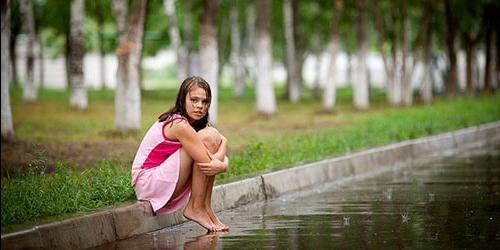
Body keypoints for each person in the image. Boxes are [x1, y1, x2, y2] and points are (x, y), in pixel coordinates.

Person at [131, 76, 229, 232]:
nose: (200, 106)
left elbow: (214, 152)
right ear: (183, 99)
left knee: (212, 135)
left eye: (205, 102)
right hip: (148, 182)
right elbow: (207, 161)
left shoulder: (193, 123)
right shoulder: (178, 124)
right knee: (209, 137)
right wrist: (223, 163)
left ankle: (205, 207)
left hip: (161, 179)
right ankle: (195, 207)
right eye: (194, 100)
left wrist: (223, 152)